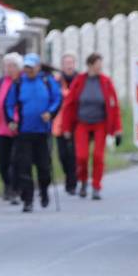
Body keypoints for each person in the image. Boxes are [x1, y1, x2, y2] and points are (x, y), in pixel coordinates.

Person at [5, 53, 62, 213]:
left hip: (43, 132)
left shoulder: (47, 81)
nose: (28, 70)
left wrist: (50, 113)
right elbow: (9, 104)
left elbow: (57, 99)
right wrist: (11, 120)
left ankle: (44, 191)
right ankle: (27, 200)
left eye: (31, 67)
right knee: (24, 167)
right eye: (26, 67)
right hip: (24, 132)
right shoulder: (18, 83)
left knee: (44, 167)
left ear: (38, 67)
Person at [61, 53, 123, 200]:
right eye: (97, 64)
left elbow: (114, 107)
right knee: (81, 156)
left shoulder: (106, 82)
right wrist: (66, 128)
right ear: (90, 65)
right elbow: (69, 105)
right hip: (82, 122)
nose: (100, 67)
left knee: (98, 156)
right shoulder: (80, 81)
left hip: (100, 123)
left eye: (101, 64)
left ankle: (96, 186)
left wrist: (118, 129)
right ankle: (82, 181)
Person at [0, 52, 24, 203]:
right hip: (2, 128)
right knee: (3, 162)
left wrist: (15, 119)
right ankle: (7, 185)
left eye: (12, 65)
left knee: (16, 160)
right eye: (7, 65)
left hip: (19, 128)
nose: (9, 68)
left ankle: (16, 188)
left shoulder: (22, 82)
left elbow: (22, 104)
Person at [52, 53, 79, 195]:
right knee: (63, 155)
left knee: (73, 154)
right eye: (66, 63)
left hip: (76, 122)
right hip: (60, 123)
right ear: (62, 66)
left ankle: (72, 183)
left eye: (71, 63)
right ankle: (68, 175)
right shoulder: (56, 81)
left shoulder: (80, 79)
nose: (69, 66)